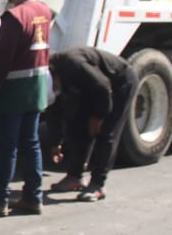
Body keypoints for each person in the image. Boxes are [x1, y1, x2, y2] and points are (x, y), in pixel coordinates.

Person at [0, 0, 53, 217]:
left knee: (7, 146)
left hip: (14, 89)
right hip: (36, 88)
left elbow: (2, 60)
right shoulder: (44, 11)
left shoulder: (14, 17)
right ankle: (33, 197)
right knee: (31, 142)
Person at [47, 47, 138, 202]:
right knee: (77, 127)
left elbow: (103, 86)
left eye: (54, 85)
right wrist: (56, 143)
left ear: (55, 74)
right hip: (93, 89)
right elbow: (54, 111)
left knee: (106, 133)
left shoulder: (73, 64)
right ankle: (74, 177)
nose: (54, 88)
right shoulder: (55, 77)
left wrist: (98, 116)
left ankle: (97, 185)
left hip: (118, 83)